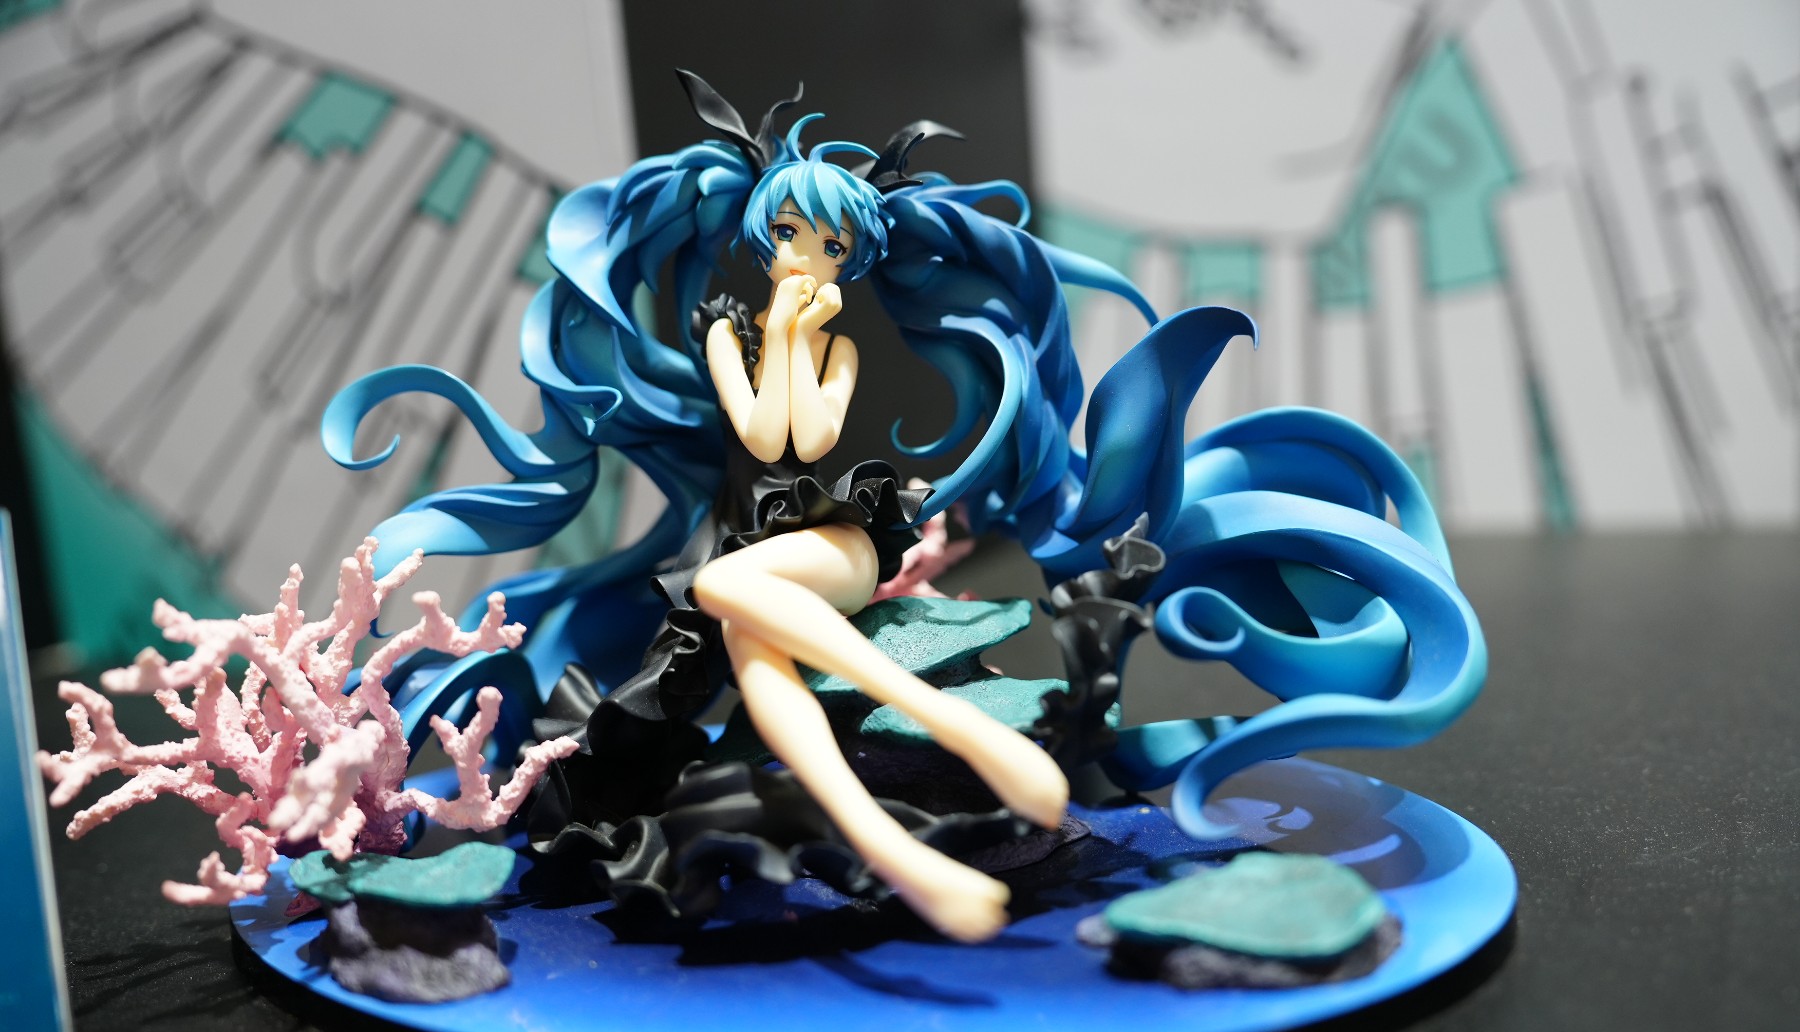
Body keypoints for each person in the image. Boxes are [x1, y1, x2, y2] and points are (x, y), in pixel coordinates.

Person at [322, 72, 1485, 942]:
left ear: (854, 252)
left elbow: (801, 441)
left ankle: (960, 729)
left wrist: (798, 337)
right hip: (756, 552)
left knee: (731, 590)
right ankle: (899, 850)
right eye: (791, 236)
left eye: (827, 243)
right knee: (761, 667)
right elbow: (751, 428)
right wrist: (773, 333)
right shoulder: (735, 331)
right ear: (763, 235)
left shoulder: (829, 346)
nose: (806, 256)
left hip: (834, 536)